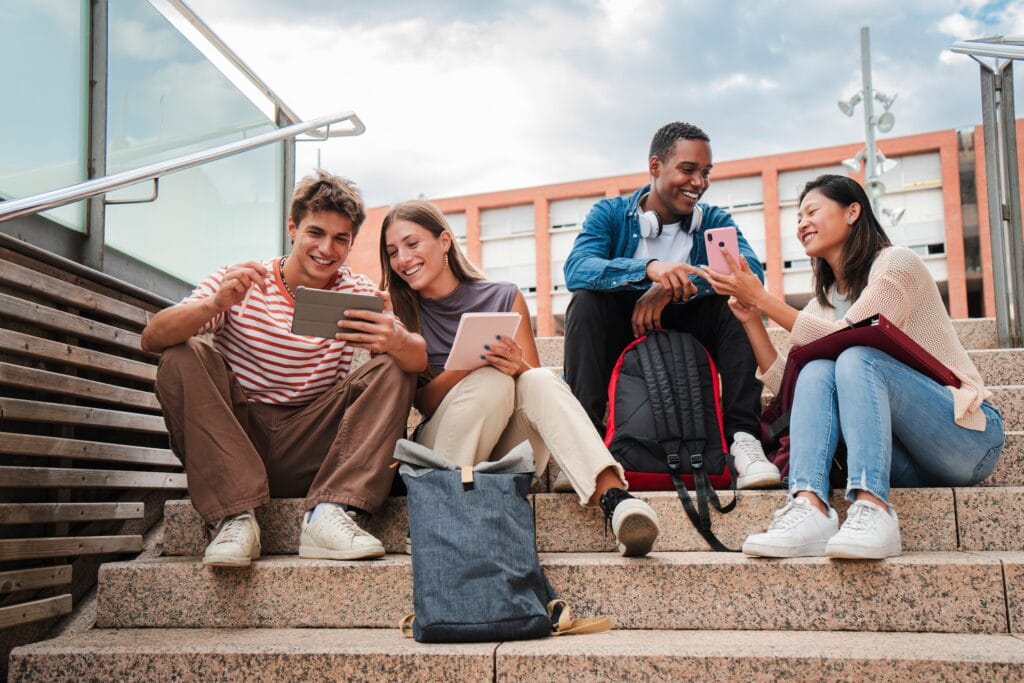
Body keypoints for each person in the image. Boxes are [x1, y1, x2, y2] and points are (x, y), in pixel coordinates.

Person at [699, 174, 1005, 559]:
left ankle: (873, 506)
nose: (801, 224)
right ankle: (809, 505)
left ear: (852, 212)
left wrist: (762, 297)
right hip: (901, 458)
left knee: (856, 357)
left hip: (964, 437)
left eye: (812, 211)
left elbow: (852, 335)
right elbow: (788, 386)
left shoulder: (896, 265)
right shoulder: (823, 303)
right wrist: (751, 320)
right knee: (813, 370)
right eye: (797, 218)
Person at [142, 171, 426, 568]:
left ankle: (332, 511)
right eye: (316, 233)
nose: (327, 249)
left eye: (340, 238)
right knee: (182, 354)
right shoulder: (241, 279)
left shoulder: (355, 291)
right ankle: (233, 516)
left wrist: (393, 338)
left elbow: (417, 360)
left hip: (315, 447)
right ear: (292, 228)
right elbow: (152, 337)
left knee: (394, 366)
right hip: (238, 440)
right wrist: (215, 304)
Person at [379, 200, 661, 557]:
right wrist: (466, 368)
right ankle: (434, 513)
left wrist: (517, 366)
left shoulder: (503, 295)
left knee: (539, 378)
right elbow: (422, 403)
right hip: (443, 449)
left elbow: (535, 390)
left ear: (445, 241)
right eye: (392, 252)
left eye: (412, 244)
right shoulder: (400, 312)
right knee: (489, 381)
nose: (403, 259)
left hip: (505, 453)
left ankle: (615, 498)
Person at [562, 121, 781, 490]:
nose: (699, 182)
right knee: (584, 303)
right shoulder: (611, 214)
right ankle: (587, 448)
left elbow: (751, 272)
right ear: (655, 167)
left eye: (706, 172)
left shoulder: (713, 220)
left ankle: (744, 440)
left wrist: (673, 286)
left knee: (737, 300)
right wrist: (650, 270)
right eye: (688, 170)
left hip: (691, 325)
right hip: (625, 325)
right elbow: (578, 268)